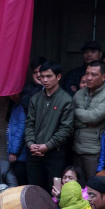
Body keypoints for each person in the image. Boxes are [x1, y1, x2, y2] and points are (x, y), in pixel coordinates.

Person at [25, 61, 74, 192]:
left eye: (49, 76)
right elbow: (29, 123)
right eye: (42, 76)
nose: (45, 80)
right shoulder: (35, 98)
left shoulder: (66, 100)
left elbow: (66, 129)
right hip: (34, 152)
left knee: (54, 191)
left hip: (54, 153)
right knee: (34, 190)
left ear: (58, 77)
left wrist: (47, 146)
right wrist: (30, 143)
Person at [73, 61, 105, 181]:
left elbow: (94, 117)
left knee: (92, 185)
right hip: (76, 147)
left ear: (104, 77)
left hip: (94, 150)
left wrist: (75, 112)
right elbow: (70, 118)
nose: (88, 78)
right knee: (76, 185)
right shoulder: (79, 94)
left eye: (93, 74)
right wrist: (85, 122)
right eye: (87, 73)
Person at [7, 92, 27, 185]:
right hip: (17, 152)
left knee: (19, 182)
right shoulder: (15, 106)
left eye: (16, 93)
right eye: (11, 93)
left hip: (19, 154)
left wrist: (14, 151)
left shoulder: (21, 107)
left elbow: (21, 130)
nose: (13, 95)